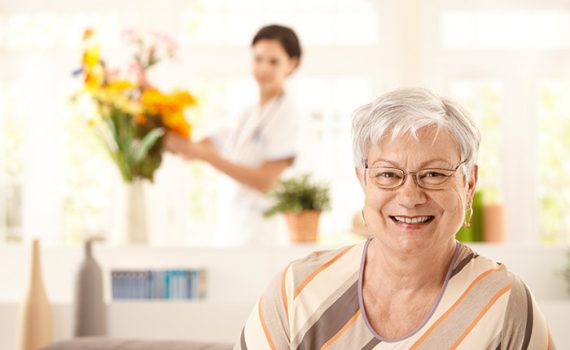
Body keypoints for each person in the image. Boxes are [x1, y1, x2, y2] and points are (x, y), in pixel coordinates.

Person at [235, 88, 554, 349]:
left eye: (433, 174)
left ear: (469, 183)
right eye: (388, 174)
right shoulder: (296, 292)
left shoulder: (504, 303)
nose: (410, 196)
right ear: (363, 181)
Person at [164, 24, 302, 245]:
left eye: (273, 61)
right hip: (234, 224)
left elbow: (265, 180)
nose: (264, 68)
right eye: (258, 59)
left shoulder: (287, 113)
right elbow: (200, 148)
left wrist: (205, 156)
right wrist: (167, 127)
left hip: (260, 230)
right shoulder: (248, 113)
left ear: (292, 64)